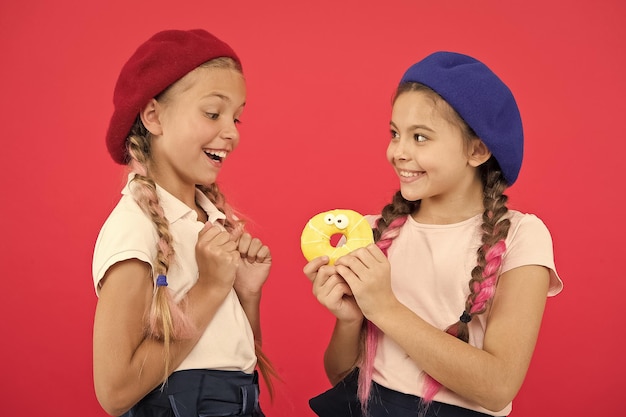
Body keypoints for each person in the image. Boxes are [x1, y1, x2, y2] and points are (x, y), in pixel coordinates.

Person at [303, 51, 563, 417]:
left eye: (420, 137)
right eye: (395, 134)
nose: (398, 152)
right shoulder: (374, 232)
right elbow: (342, 377)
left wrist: (385, 308)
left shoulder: (521, 236)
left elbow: (497, 386)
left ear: (477, 150)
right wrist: (349, 320)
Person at [92, 29, 274, 417]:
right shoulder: (134, 228)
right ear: (154, 116)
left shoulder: (209, 222)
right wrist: (209, 287)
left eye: (237, 118)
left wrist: (247, 295)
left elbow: (234, 359)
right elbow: (114, 391)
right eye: (213, 113)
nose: (232, 134)